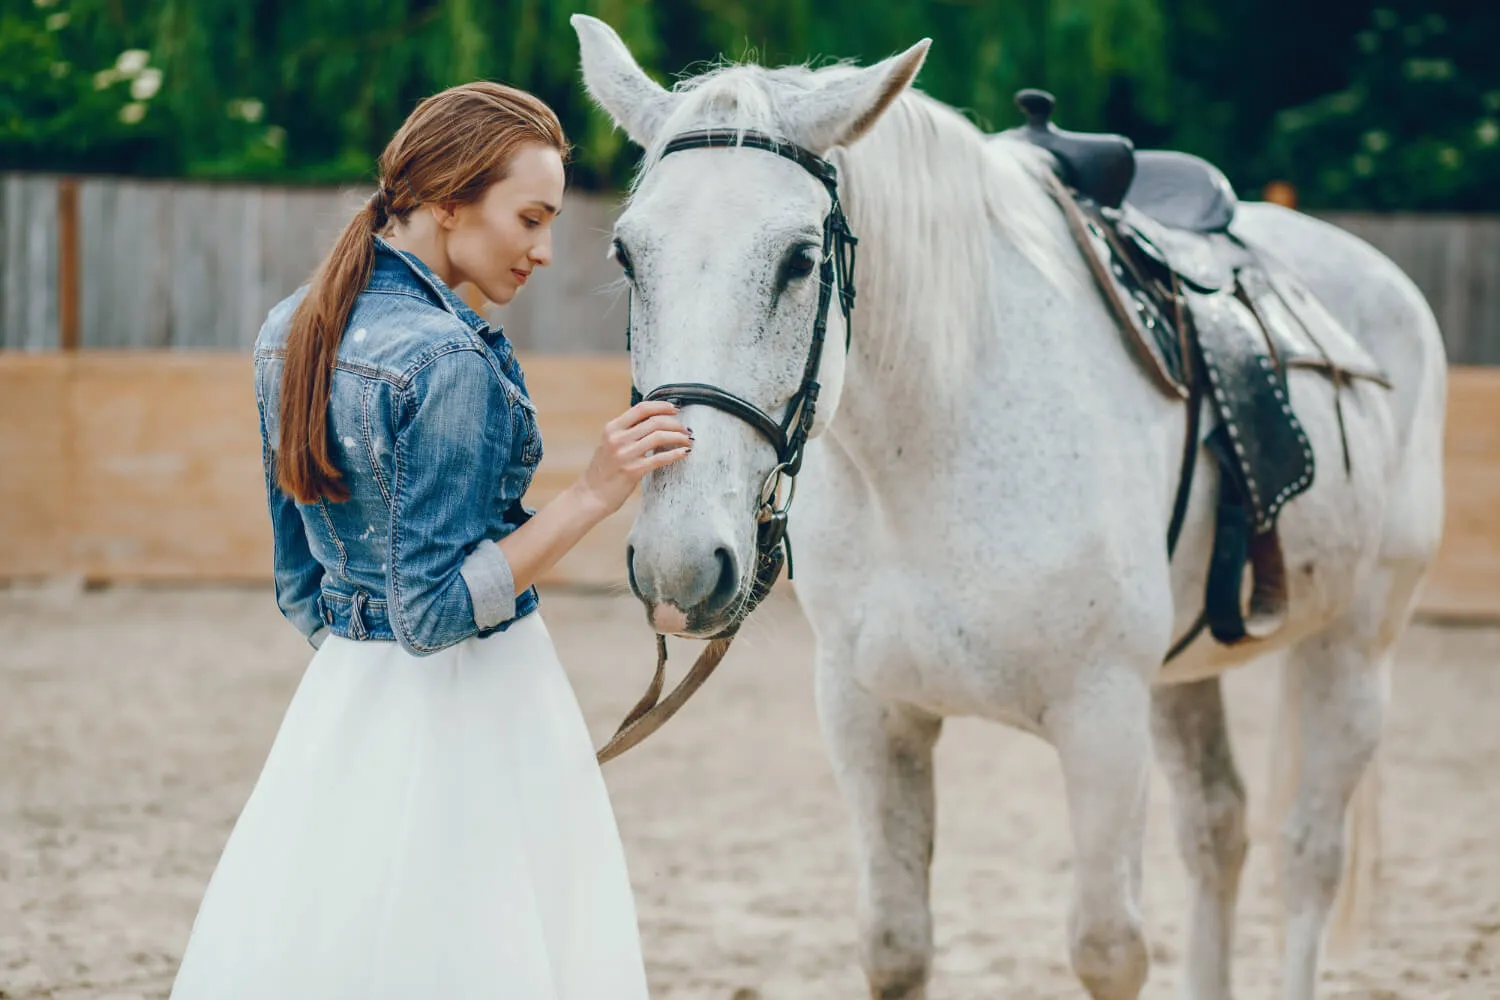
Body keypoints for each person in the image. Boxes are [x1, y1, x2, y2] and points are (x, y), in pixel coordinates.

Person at [168, 81, 691, 1000]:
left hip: (344, 704)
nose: (544, 249)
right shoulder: (449, 362)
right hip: (478, 700)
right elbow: (437, 613)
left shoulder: (290, 329)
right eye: (530, 217)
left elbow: (299, 581)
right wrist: (594, 494)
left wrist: (369, 701)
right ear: (448, 201)